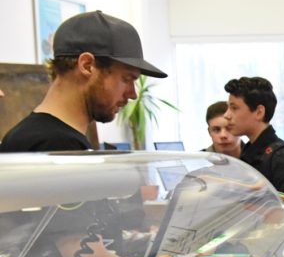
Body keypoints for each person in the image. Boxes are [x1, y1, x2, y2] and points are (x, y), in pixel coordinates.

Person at [1, 10, 166, 153]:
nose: (133, 94)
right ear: (87, 65)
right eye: (126, 79)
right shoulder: (58, 147)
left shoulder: (31, 136)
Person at [224, 76, 284, 194]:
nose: (227, 115)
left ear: (259, 112)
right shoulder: (248, 151)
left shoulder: (282, 157)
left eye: (234, 108)